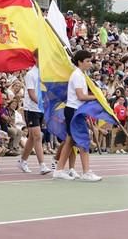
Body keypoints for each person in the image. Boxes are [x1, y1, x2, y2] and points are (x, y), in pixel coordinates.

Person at [53, 50, 102, 182]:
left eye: (90, 61)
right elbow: (81, 96)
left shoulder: (81, 74)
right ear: (80, 62)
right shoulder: (78, 75)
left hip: (74, 110)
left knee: (70, 141)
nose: (90, 64)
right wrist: (97, 97)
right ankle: (86, 172)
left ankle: (59, 170)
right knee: (83, 141)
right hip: (74, 111)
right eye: (87, 61)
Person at [18, 59, 51, 175]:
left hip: (41, 109)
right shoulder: (30, 74)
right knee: (37, 136)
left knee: (32, 138)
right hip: (31, 108)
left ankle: (22, 161)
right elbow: (32, 94)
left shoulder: (45, 73)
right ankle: (42, 165)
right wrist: (42, 104)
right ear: (36, 58)